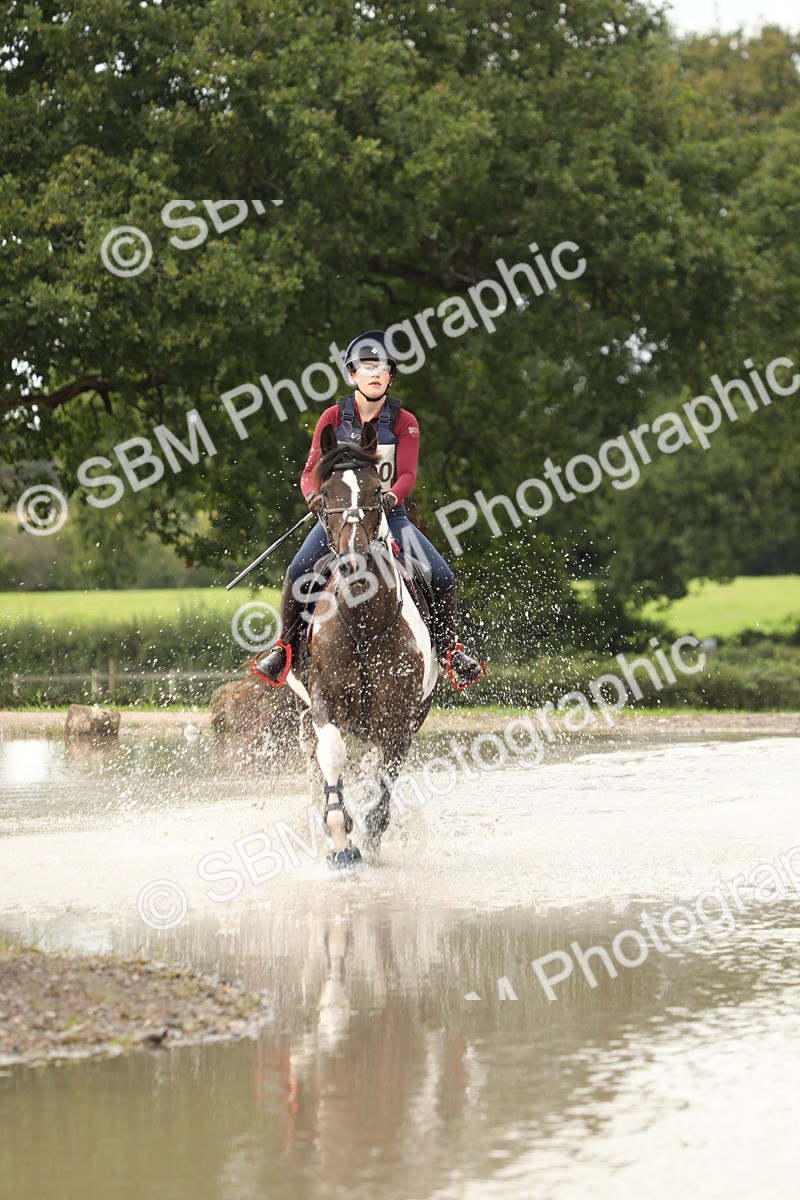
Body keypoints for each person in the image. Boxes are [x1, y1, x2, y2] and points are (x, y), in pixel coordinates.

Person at [255, 330, 485, 688]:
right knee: (299, 568)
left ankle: (449, 651)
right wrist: (313, 497)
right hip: (340, 518)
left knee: (441, 576)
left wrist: (391, 497)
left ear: (390, 376)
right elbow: (308, 473)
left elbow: (407, 474)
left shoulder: (404, 421)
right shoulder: (332, 417)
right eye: (367, 366)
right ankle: (284, 648)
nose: (376, 373)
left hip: (388, 516)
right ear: (352, 375)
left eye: (383, 367)